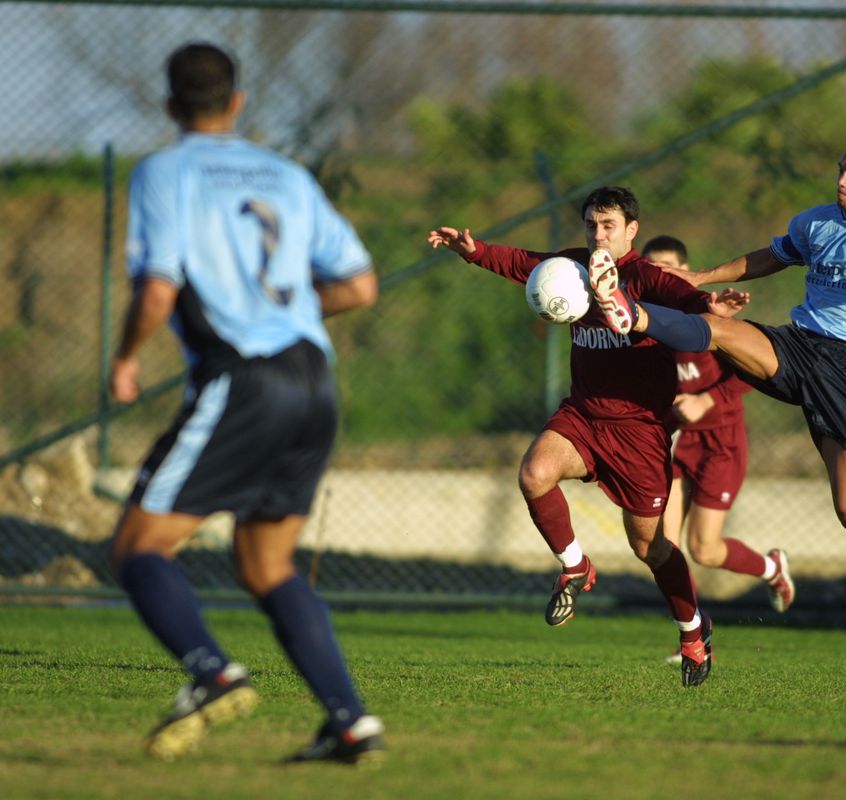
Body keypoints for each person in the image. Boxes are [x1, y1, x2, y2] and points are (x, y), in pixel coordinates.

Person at [107, 42, 383, 764]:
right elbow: (358, 287)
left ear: (170, 105)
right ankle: (350, 721)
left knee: (139, 548)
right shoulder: (287, 175)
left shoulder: (164, 173)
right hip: (315, 381)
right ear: (237, 102)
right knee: (267, 567)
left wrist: (127, 355)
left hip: (245, 377)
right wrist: (286, 309)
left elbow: (159, 286)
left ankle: (212, 673)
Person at [589, 133, 846, 637]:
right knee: (718, 331)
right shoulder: (817, 221)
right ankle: (632, 315)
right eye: (840, 169)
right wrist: (700, 278)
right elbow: (771, 257)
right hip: (799, 345)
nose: (841, 180)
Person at [427, 187, 741, 687]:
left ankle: (692, 630)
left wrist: (712, 303)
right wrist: (475, 251)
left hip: (639, 432)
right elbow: (523, 263)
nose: (598, 235)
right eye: (592, 225)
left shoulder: (646, 277)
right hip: (583, 417)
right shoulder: (573, 267)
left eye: (609, 225)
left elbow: (686, 299)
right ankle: (576, 568)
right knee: (534, 474)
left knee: (651, 548)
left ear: (631, 229)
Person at [642, 235, 794, 667]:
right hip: (673, 443)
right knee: (662, 547)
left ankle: (770, 569)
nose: (660, 276)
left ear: (684, 272)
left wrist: (705, 400)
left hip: (719, 444)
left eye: (669, 268)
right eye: (653, 269)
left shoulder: (705, 313)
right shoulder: (640, 319)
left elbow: (756, 368)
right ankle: (691, 632)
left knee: (704, 549)